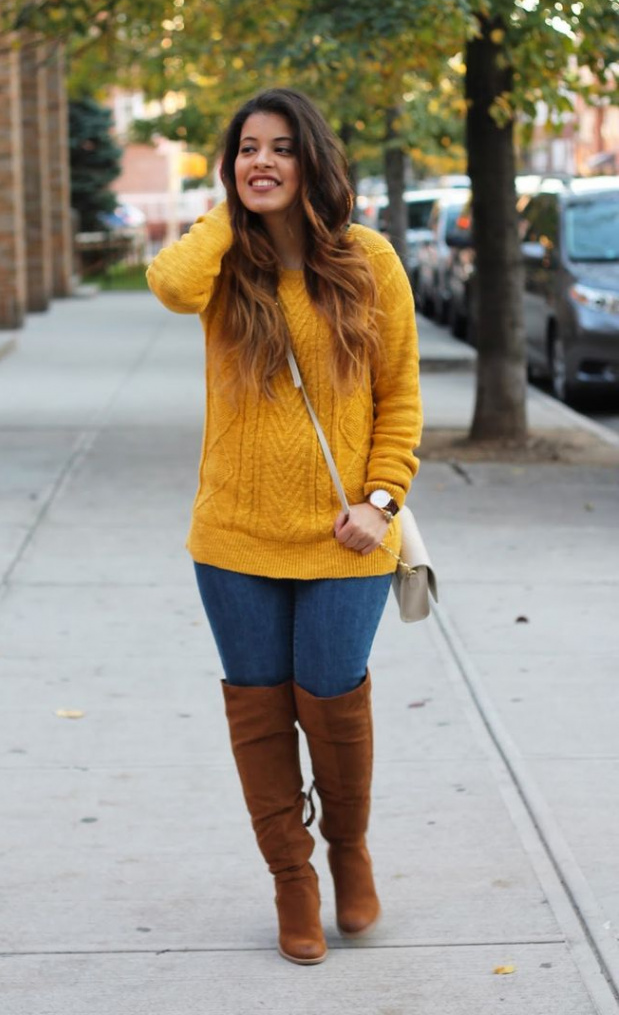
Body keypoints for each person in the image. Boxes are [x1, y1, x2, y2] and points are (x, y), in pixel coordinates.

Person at [146, 88, 422, 966]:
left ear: (313, 160)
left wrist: (377, 501)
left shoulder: (368, 261)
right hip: (233, 540)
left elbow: (400, 400)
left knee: (333, 704)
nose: (259, 161)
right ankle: (291, 880)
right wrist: (229, 219)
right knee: (259, 715)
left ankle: (348, 850)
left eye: (279, 149)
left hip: (347, 537)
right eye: (245, 151)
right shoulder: (220, 263)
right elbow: (168, 285)